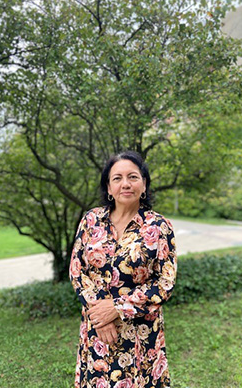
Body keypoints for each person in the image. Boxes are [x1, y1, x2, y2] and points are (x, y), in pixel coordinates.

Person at [69, 150, 177, 388]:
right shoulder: (91, 220)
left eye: (133, 177)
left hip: (140, 334)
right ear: (108, 188)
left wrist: (117, 308)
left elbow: (165, 282)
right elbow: (78, 270)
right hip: (98, 330)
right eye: (117, 178)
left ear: (144, 184)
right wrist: (101, 315)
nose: (125, 184)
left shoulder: (160, 227)